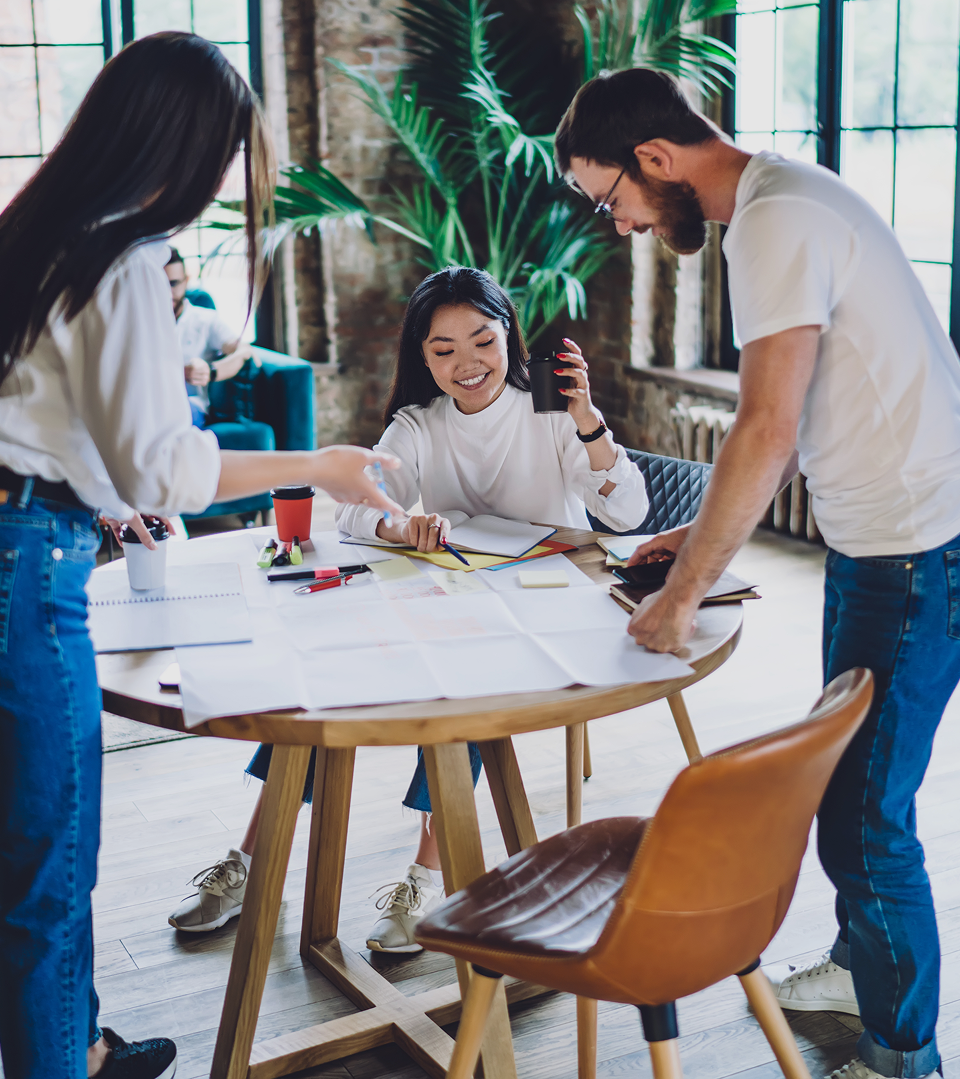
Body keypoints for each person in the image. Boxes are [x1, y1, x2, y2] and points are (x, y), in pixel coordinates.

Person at [0, 32, 400, 1079]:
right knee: (49, 857)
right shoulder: (121, 260)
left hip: (30, 534)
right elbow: (165, 470)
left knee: (40, 839)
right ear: (173, 143)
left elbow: (57, 424)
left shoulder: (39, 233)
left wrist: (83, 488)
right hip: (26, 566)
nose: (228, 178)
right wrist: (318, 465)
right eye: (226, 151)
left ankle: (78, 1042)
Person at [554, 68, 960, 1079]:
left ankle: (904, 1054)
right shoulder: (785, 194)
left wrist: (685, 592)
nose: (620, 225)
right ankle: (851, 968)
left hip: (912, 549)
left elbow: (767, 424)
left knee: (867, 817)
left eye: (613, 199)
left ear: (656, 158)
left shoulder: (772, 223)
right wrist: (688, 545)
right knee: (848, 791)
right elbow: (790, 417)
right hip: (890, 540)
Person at [167, 265, 650, 953]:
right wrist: (403, 528)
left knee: (472, 675)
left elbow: (626, 513)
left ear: (509, 334)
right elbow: (358, 508)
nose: (467, 364)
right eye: (443, 350)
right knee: (326, 662)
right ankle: (248, 856)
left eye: (482, 341)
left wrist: (589, 421)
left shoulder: (550, 412)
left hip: (547, 613)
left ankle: (427, 872)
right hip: (454, 598)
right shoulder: (419, 424)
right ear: (422, 358)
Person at [164, 248, 270, 442]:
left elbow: (245, 351)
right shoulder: (142, 325)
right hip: (152, 403)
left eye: (173, 284)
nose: (167, 292)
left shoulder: (205, 320)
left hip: (189, 406)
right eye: (160, 284)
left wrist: (210, 371)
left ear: (186, 281)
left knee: (171, 421)